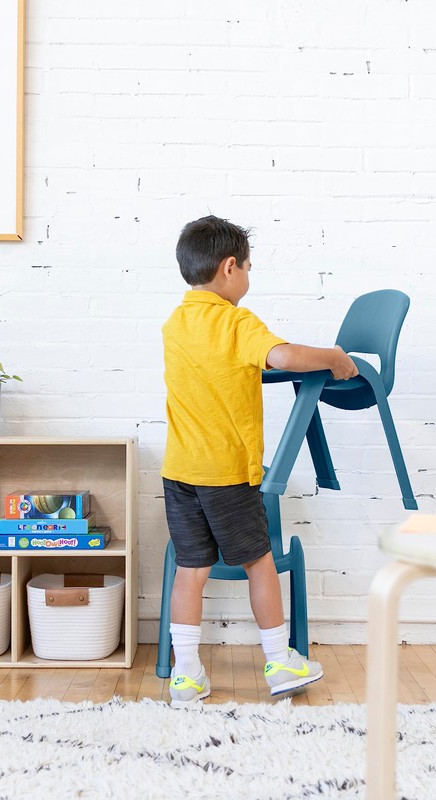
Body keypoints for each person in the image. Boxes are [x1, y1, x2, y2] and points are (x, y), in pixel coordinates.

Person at [161, 215, 359, 707]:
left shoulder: (176, 323)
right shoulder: (236, 322)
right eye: (249, 268)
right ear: (230, 267)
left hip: (179, 471)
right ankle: (279, 660)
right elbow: (284, 357)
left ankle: (185, 675)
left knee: (190, 570)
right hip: (226, 472)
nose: (249, 276)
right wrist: (334, 356)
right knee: (259, 561)